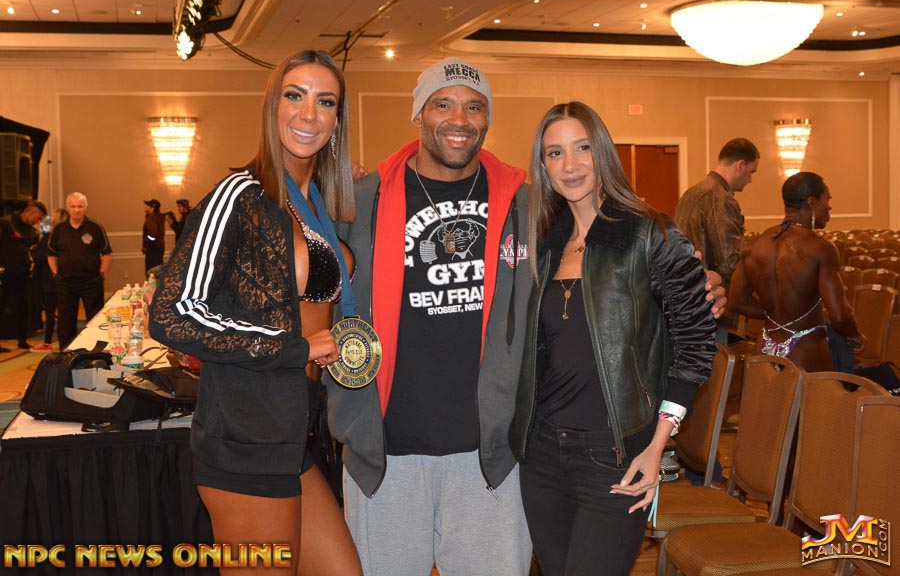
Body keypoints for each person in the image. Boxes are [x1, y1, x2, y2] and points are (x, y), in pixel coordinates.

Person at [149, 49, 362, 576]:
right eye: (295, 96)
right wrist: (293, 349)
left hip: (299, 433)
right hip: (245, 436)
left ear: (337, 120)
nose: (309, 113)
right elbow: (172, 313)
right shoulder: (239, 195)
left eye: (325, 102)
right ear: (272, 107)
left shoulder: (318, 204)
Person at [328, 57, 535, 576]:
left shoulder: (526, 204)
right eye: (443, 104)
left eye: (474, 107)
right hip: (386, 454)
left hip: (491, 454)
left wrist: (680, 270)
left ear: (487, 118)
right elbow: (303, 272)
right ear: (418, 113)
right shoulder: (360, 202)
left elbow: (596, 241)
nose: (459, 119)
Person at [508, 101, 717, 576]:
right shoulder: (543, 243)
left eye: (582, 148)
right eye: (555, 153)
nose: (570, 164)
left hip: (618, 456)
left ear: (602, 152)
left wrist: (658, 444)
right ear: (543, 167)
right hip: (542, 456)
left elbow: (697, 344)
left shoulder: (651, 233)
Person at [727, 171, 865, 371]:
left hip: (764, 350)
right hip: (806, 351)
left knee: (765, 393)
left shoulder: (754, 245)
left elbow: (736, 301)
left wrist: (776, 315)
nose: (829, 206)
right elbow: (839, 316)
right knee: (821, 393)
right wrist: (855, 334)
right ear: (811, 202)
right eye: (827, 199)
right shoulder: (820, 248)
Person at [674, 138, 759, 293]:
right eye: (751, 172)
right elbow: (729, 262)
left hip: (684, 289)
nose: (750, 180)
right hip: (711, 294)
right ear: (740, 165)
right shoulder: (721, 198)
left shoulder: (690, 192)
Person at [47, 192, 112, 351]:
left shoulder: (95, 227)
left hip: (91, 282)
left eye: (80, 206)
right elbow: (51, 254)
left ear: (86, 208)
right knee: (65, 321)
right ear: (68, 208)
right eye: (73, 206)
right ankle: (66, 353)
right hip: (65, 283)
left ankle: (96, 352)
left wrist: (102, 273)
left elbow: (107, 253)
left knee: (96, 319)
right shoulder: (59, 230)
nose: (76, 210)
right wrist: (55, 273)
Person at [0, 200, 47, 351]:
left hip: (23, 274)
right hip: (5, 273)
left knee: (23, 308)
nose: (37, 222)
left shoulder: (33, 232)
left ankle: (22, 340)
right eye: (37, 218)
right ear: (30, 211)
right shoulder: (6, 223)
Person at [30, 207, 68, 352]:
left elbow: (40, 257)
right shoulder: (67, 237)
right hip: (65, 278)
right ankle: (65, 342)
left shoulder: (49, 237)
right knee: (65, 312)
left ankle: (47, 342)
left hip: (49, 278)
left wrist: (35, 249)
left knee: (50, 313)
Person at [141, 198, 165, 272]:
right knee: (157, 271)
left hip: (152, 249)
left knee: (151, 272)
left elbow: (153, 234)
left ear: (152, 208)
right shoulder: (158, 217)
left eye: (147, 205)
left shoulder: (151, 218)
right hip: (159, 247)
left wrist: (146, 245)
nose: (145, 206)